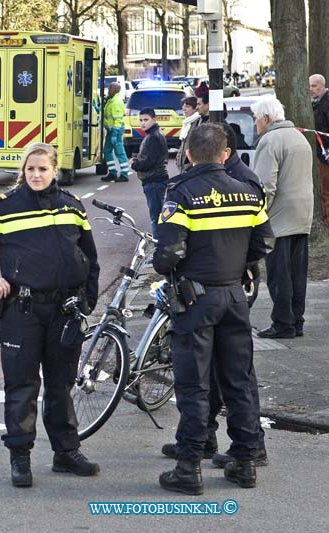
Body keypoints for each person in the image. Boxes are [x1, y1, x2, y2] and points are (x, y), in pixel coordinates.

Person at [0, 143, 101, 488]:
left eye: (42, 169)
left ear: (55, 170)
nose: (36, 175)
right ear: (23, 173)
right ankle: (20, 457)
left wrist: (88, 300)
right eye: (30, 170)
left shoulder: (72, 206)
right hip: (22, 311)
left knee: (61, 385)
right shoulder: (6, 207)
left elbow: (90, 257)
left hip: (64, 310)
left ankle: (66, 452)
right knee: (22, 386)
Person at [153, 123, 273, 495]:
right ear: (224, 154)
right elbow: (264, 242)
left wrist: (167, 266)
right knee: (237, 380)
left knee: (194, 384)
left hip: (195, 301)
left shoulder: (181, 194)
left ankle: (189, 466)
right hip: (234, 297)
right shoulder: (248, 193)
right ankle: (244, 460)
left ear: (188, 154)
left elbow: (169, 253)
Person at [252, 96, 314, 338]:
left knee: (279, 274)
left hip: (279, 216)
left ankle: (283, 323)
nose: (255, 123)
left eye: (256, 118)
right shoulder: (299, 137)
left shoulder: (270, 140)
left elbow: (265, 184)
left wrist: (257, 216)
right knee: (298, 273)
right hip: (302, 213)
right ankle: (296, 320)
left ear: (266, 118)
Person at [131, 107, 169, 238]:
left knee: (156, 217)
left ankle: (159, 247)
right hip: (155, 180)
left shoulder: (153, 137)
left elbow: (149, 162)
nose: (142, 123)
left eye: (146, 120)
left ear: (154, 119)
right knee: (158, 215)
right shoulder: (154, 134)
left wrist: (135, 164)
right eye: (140, 120)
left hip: (154, 180)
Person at [310, 74, 329, 225]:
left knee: (325, 192)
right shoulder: (316, 103)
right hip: (321, 153)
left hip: (325, 155)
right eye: (309, 86)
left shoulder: (326, 104)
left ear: (323, 86)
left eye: (314, 86)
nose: (311, 89)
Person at [101, 82, 130, 182]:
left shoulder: (116, 102)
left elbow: (118, 120)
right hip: (111, 130)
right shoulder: (111, 100)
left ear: (115, 90)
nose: (108, 90)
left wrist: (114, 134)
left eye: (110, 88)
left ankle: (124, 174)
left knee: (119, 152)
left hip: (115, 131)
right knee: (107, 151)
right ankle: (112, 173)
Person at [176, 96, 200, 172]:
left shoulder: (197, 123)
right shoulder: (187, 122)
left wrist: (188, 165)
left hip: (190, 168)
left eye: (187, 106)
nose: (184, 109)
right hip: (183, 168)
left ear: (195, 108)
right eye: (183, 106)